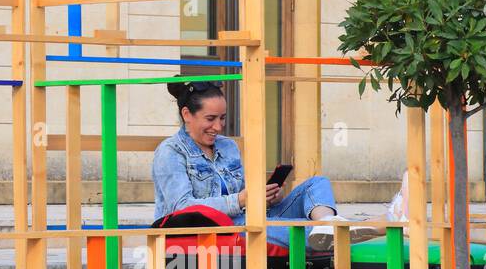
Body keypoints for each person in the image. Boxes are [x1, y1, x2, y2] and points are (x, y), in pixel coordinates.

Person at [151, 80, 374, 250]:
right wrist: (241, 200)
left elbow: (245, 194)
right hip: (216, 230)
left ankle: (328, 224)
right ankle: (337, 232)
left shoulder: (227, 147)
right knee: (296, 228)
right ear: (187, 114)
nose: (218, 127)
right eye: (211, 119)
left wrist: (265, 197)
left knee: (317, 183)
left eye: (223, 118)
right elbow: (182, 208)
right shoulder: (170, 152)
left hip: (251, 216)